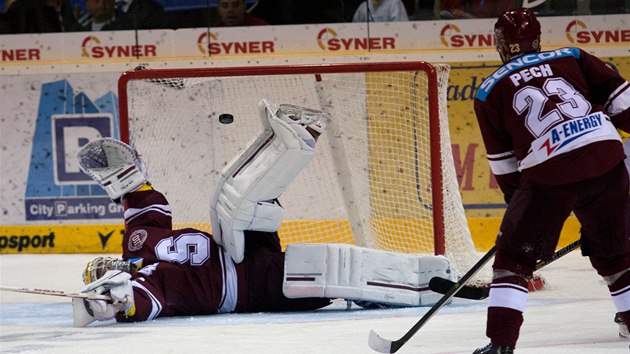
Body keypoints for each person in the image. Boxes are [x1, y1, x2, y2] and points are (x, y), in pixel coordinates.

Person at [73, 100, 455, 326]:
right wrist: (113, 305)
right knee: (319, 273)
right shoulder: (152, 281)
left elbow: (144, 204)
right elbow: (142, 303)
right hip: (252, 286)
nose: (108, 269)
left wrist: (125, 180)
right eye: (101, 274)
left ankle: (294, 140)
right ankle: (418, 281)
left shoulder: (137, 243)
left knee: (235, 197)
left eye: (102, 265)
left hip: (233, 244)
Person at [472, 8, 630, 354]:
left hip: (548, 175)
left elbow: (507, 169)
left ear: (499, 43)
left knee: (513, 259)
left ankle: (500, 344)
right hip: (606, 160)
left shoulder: (488, 90)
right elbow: (626, 107)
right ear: (538, 39)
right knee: (617, 255)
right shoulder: (573, 56)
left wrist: (524, 223)